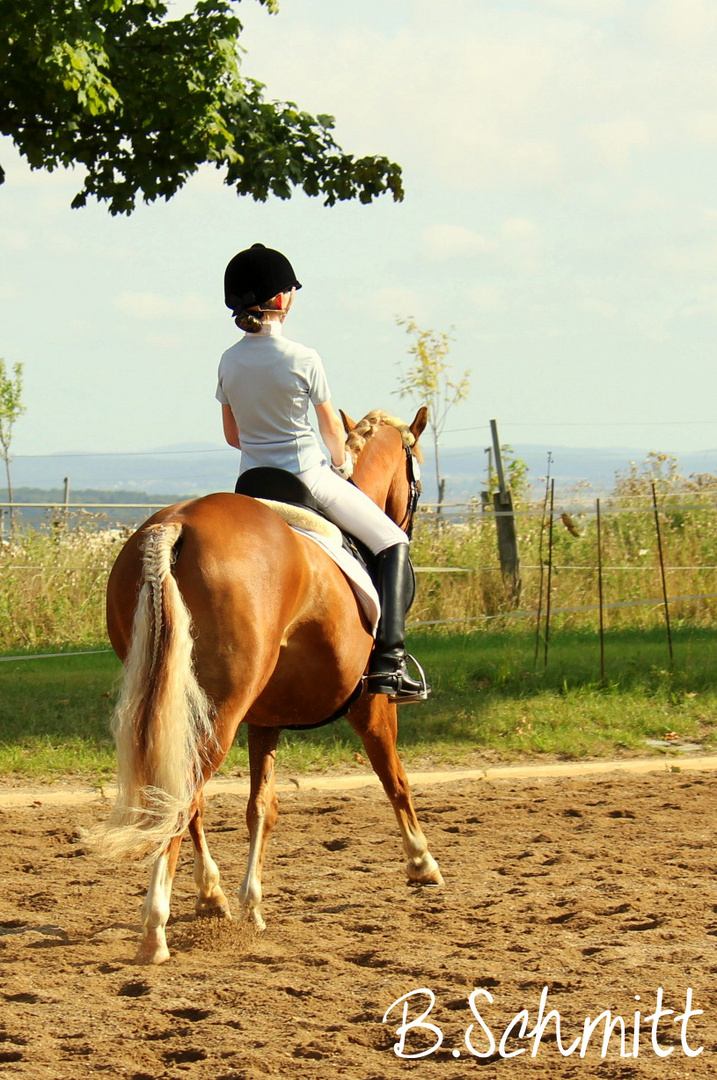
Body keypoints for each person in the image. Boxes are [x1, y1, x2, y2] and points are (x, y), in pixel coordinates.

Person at [216, 242, 428, 703]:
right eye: (289, 290)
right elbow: (333, 428)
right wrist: (343, 463)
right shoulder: (303, 357)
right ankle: (390, 662)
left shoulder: (229, 361)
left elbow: (233, 436)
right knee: (393, 541)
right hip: (307, 479)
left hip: (251, 485)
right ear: (279, 300)